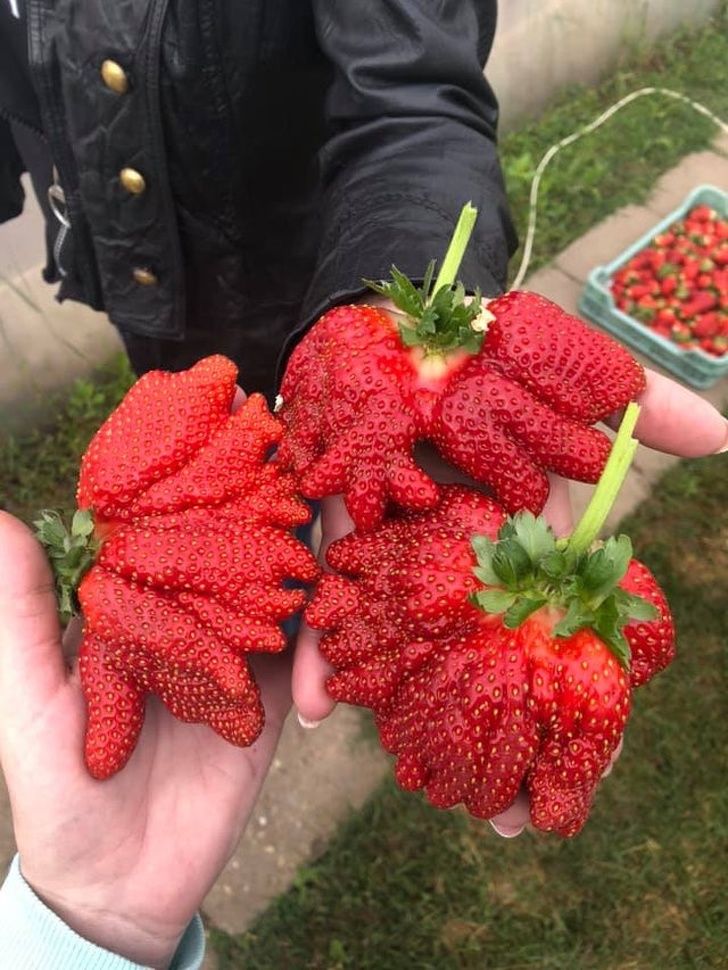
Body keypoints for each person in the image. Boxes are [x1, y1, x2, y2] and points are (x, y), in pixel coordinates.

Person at [0, 1, 727, 967]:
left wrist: (412, 298)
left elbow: (414, 90)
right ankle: (251, 480)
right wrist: (87, 923)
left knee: (246, 444)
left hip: (345, 290)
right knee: (207, 428)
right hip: (163, 313)